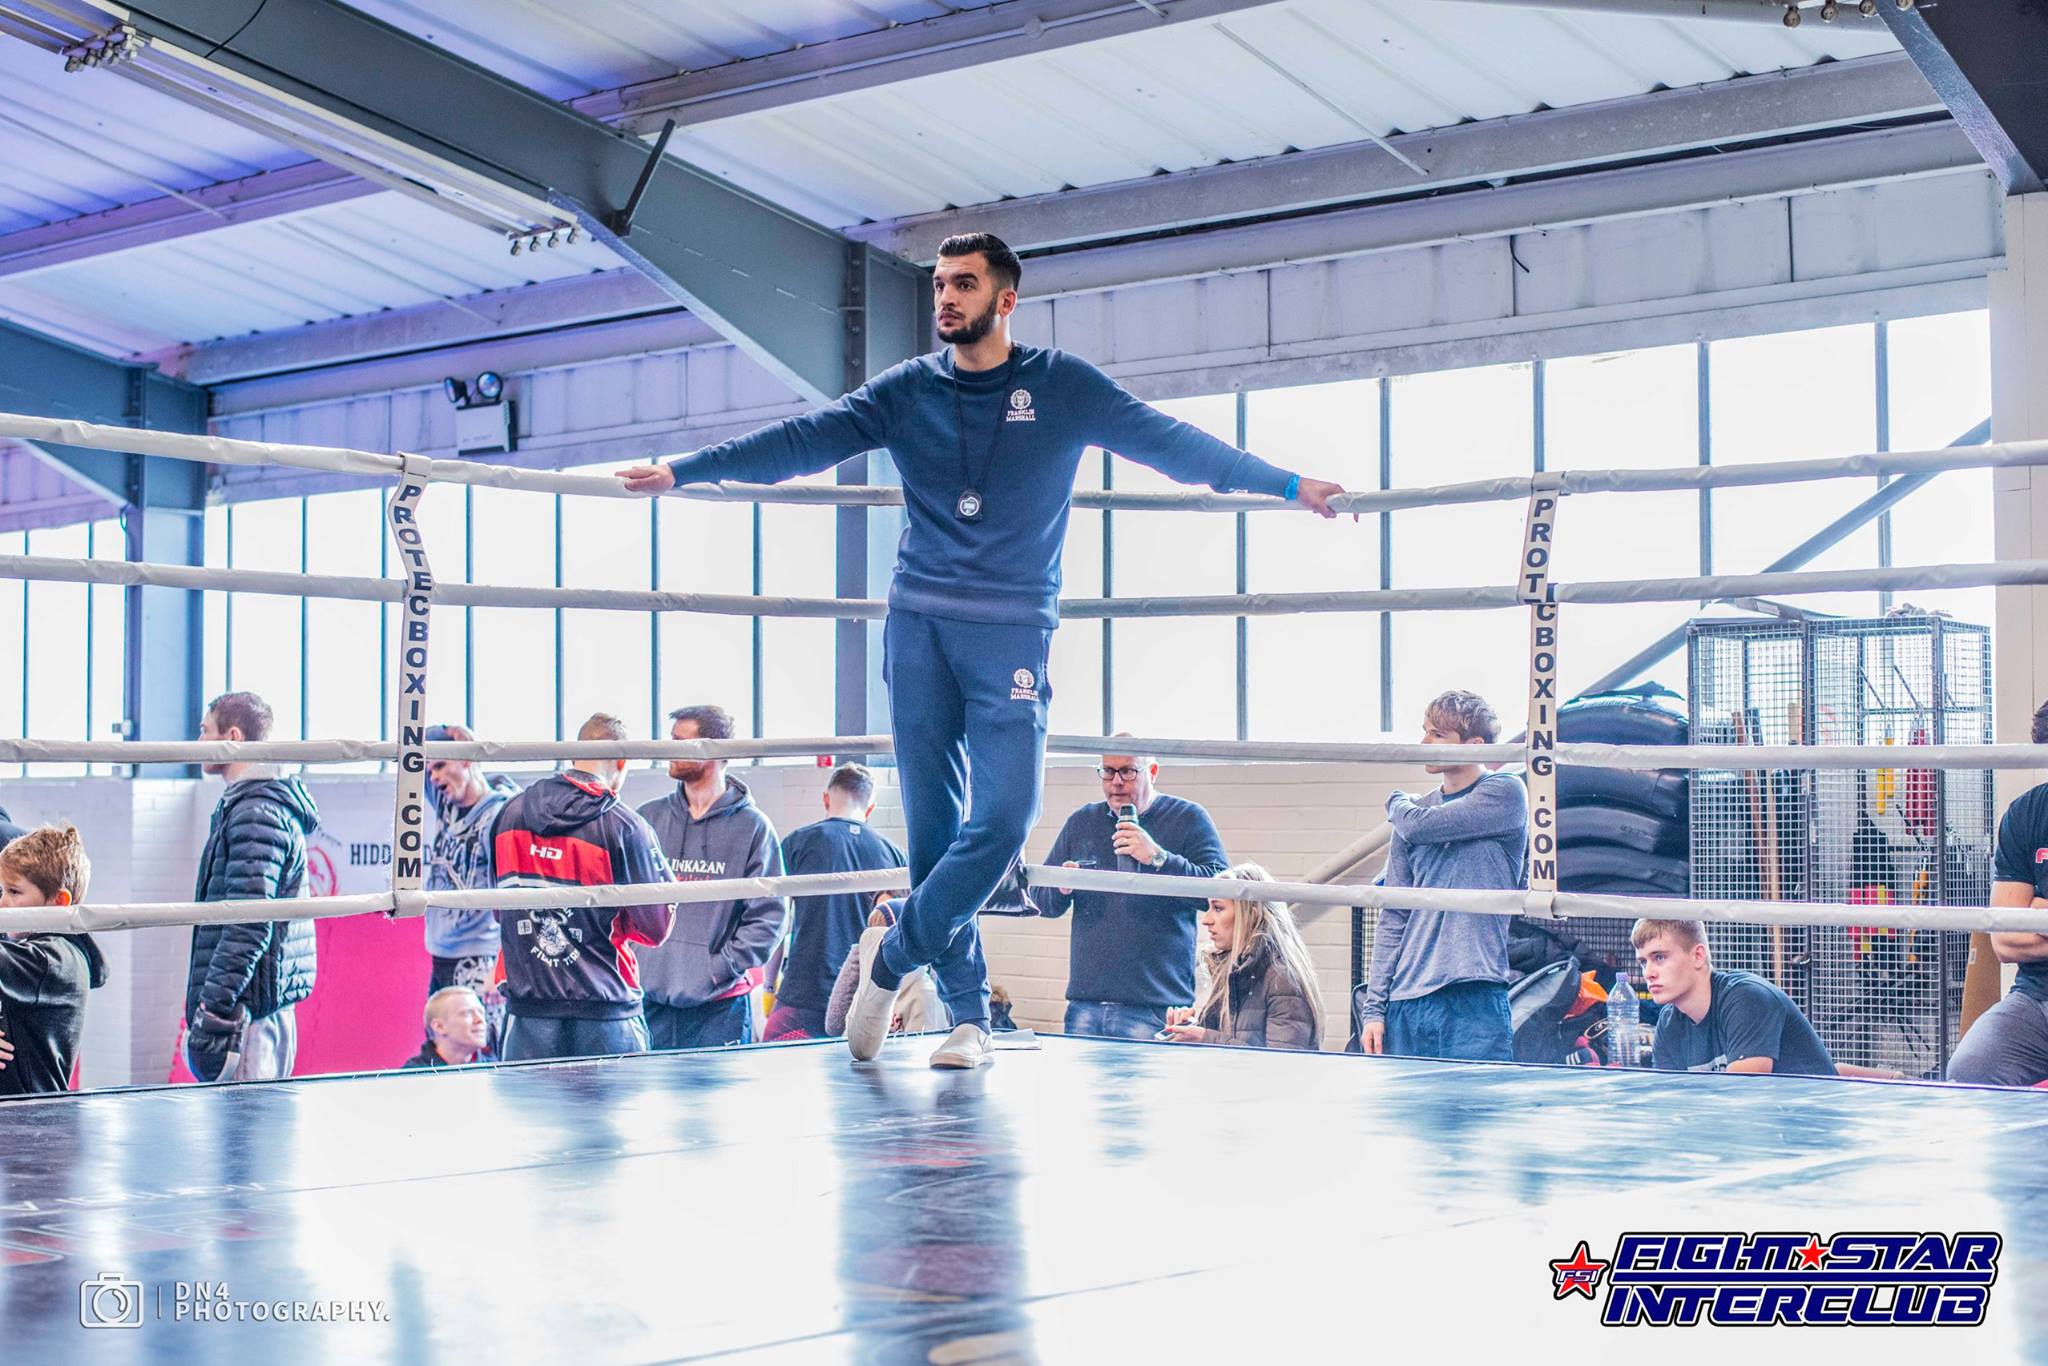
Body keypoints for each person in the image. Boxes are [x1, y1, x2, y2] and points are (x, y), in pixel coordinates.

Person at [618, 232, 1346, 1070]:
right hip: (919, 626)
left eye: (963, 284)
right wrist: (686, 471)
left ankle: (894, 956)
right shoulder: (908, 390)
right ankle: (969, 1017)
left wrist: (1287, 484)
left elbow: (1173, 445)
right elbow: (803, 441)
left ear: (1005, 300)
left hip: (1011, 632)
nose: (945, 299)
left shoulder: (1060, 385)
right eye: (939, 285)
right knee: (933, 836)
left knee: (1004, 819)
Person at [492, 713, 677, 1062]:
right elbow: (655, 928)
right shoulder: (625, 826)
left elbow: (501, 912)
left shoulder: (509, 814)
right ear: (622, 761)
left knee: (527, 1102)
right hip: (606, 1009)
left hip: (527, 1012)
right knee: (617, 1102)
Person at [1359, 690, 1525, 1064]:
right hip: (1406, 998)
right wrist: (1374, 1008)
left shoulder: (1504, 792)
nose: (1424, 743)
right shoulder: (1413, 812)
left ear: (1475, 746)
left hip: (1472, 995)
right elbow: (1394, 914)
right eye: (1425, 731)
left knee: (1475, 1102)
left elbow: (1421, 827)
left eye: (1437, 734)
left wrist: (1396, 803)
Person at [1043, 740, 1229, 1040]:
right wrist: (1061, 887)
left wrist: (1158, 858)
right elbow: (1042, 901)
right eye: (1107, 771)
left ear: (1152, 772)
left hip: (1155, 1006)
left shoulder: (1188, 818)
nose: (1116, 782)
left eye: (1128, 771)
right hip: (1086, 1004)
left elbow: (1219, 891)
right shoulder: (1082, 822)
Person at [184, 691, 319, 1083]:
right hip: (252, 1005)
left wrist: (214, 1008)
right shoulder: (249, 805)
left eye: (205, 730)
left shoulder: (257, 812)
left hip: (248, 1013)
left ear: (233, 737)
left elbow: (249, 923)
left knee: (246, 1122)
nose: (198, 741)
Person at [636, 704, 786, 1049]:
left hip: (719, 1008)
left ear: (713, 751)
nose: (669, 750)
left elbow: (769, 918)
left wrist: (719, 968)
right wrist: (641, 963)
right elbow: (625, 903)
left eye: (680, 742)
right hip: (651, 1001)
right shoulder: (649, 818)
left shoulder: (753, 827)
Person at [767, 763, 908, 1041]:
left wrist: (769, 987)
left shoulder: (797, 843)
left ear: (826, 799)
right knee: (855, 1068)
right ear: (870, 808)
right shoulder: (894, 855)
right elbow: (899, 934)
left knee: (774, 1064)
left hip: (802, 992)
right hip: (862, 995)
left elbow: (777, 924)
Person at [1949, 699, 2048, 1086]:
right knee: (1971, 1067)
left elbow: (2023, 924)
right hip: (2036, 998)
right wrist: (2023, 919)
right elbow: (2005, 941)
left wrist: (2038, 912)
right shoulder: (2027, 813)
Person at [1635, 918, 1837, 1077]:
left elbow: (1742, 1095)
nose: (1648, 973)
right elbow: (1669, 1100)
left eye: (1659, 957)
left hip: (1807, 1115)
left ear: (1698, 956)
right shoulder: (1669, 1022)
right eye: (1643, 962)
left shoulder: (1747, 998)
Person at [423, 722, 520, 1047]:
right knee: (443, 1048)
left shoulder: (497, 816)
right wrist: (447, 729)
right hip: (442, 952)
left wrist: (501, 964)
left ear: (467, 761)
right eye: (430, 770)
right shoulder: (446, 802)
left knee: (482, 1049)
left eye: (440, 766)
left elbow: (514, 895)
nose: (433, 777)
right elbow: (409, 752)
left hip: (478, 957)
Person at [1163, 864, 1322, 1050]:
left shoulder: (1282, 978)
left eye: (1218, 908)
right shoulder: (1234, 969)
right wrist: (1190, 1028)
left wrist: (1204, 1038)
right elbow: (1226, 1039)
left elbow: (1281, 1062)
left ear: (1251, 915)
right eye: (1209, 907)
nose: (1206, 919)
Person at [0, 826, 106, 1095]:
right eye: (2, 892)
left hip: (25, 1112)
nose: (3, 904)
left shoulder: (50, 960)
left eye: (14, 892)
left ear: (58, 901)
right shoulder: (50, 952)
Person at [824, 902, 947, 1040]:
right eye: (871, 933)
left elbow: (924, 1046)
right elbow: (842, 1032)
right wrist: (860, 956)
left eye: (881, 936)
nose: (875, 945)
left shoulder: (924, 994)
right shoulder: (868, 987)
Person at [402, 986, 495, 1069]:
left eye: (481, 1013)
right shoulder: (412, 1076)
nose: (480, 1020)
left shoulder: (495, 1069)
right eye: (466, 1013)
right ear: (439, 1027)